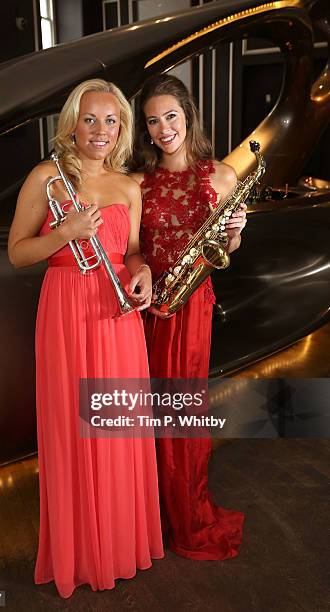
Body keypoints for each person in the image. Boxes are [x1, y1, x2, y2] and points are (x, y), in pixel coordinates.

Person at [8, 79, 164, 598]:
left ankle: (120, 545)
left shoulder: (128, 185)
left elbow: (134, 250)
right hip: (66, 313)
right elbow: (18, 253)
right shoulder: (47, 177)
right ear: (72, 123)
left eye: (111, 120)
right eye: (90, 119)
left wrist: (141, 274)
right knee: (74, 431)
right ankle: (81, 553)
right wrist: (63, 233)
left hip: (119, 316)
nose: (100, 131)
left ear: (121, 128)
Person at [130, 73, 245, 560]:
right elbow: (131, 249)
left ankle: (186, 514)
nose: (163, 128)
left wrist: (236, 230)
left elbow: (228, 249)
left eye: (170, 116)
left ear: (188, 115)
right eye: (153, 121)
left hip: (190, 306)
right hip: (144, 310)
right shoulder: (138, 181)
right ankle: (144, 517)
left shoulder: (222, 176)